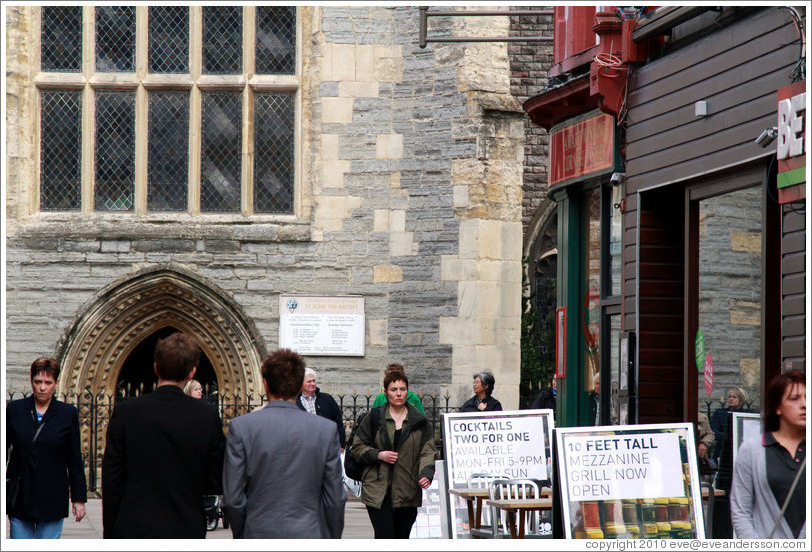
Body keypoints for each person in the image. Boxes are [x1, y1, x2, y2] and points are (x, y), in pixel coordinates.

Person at [102, 332, 226, 538]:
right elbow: (217, 479)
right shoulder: (206, 417)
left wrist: (110, 533)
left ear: (156, 367)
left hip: (133, 526)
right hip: (185, 526)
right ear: (192, 373)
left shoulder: (126, 412)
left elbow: (112, 480)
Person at [222, 349, 346, 538]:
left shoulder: (242, 427)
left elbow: (232, 498)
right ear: (299, 387)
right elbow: (335, 498)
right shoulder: (325, 430)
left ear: (265, 384)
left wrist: (243, 532)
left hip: (258, 531)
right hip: (309, 532)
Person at [350, 367, 437, 538]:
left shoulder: (419, 421)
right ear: (385, 392)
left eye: (402, 389)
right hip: (377, 490)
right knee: (385, 536)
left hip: (407, 490)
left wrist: (426, 473)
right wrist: (378, 455)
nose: (398, 394)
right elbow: (357, 447)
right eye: (394, 389)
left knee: (401, 537)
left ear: (407, 392)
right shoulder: (374, 418)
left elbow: (428, 451)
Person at [6, 358, 87, 539]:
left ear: (56, 384)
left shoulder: (67, 414)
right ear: (31, 382)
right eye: (38, 382)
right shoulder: (15, 410)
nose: (42, 387)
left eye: (48, 383)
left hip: (52, 495)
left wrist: (78, 499)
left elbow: (74, 458)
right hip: (21, 495)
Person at [731, 370, 806, 539]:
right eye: (794, 399)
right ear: (778, 407)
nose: (804, 404)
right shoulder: (752, 450)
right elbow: (740, 511)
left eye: (808, 397)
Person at [295, 367, 347, 450]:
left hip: (326, 447)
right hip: (303, 448)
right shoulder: (295, 402)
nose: (312, 384)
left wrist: (341, 444)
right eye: (309, 381)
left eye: (314, 381)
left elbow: (338, 423)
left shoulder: (327, 400)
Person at [710, 386, 751, 461]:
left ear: (741, 400)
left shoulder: (747, 414)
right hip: (722, 450)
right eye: (730, 397)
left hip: (742, 452)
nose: (731, 399)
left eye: (734, 397)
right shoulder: (719, 413)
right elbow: (713, 431)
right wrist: (729, 437)